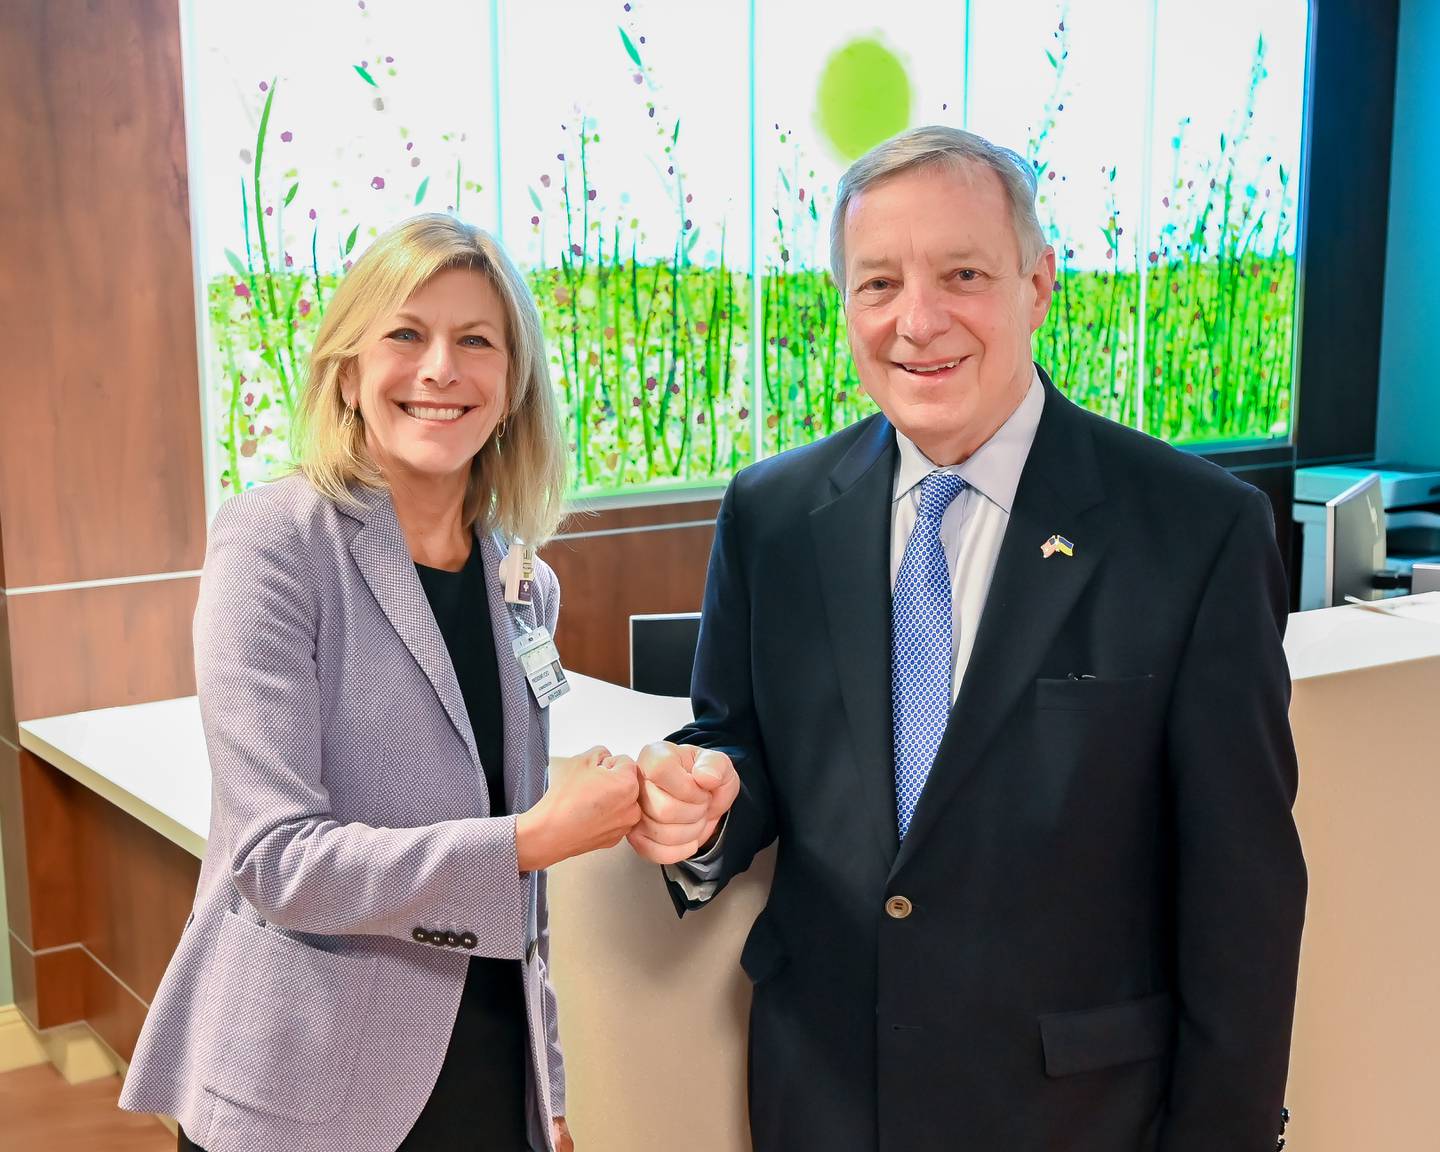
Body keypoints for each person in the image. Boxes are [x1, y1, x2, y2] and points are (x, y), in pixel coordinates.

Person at [629, 126, 1307, 1151]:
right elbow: (744, 747)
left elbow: (1243, 894)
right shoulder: (772, 514)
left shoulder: (1195, 528)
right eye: (878, 284)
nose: (918, 321)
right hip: (824, 1098)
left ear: (1038, 285)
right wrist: (702, 810)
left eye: (963, 273)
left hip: (1076, 1115)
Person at [120, 214, 640, 1152]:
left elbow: (523, 893)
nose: (441, 369)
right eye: (406, 334)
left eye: (476, 341)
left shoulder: (523, 583)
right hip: (312, 1085)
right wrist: (531, 837)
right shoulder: (275, 543)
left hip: (489, 1070)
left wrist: (550, 1083)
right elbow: (276, 860)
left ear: (512, 385)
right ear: (349, 373)